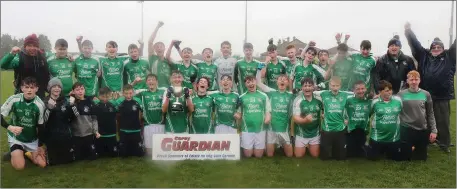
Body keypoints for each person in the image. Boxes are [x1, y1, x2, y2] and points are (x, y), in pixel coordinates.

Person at [404, 22, 456, 153]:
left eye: (439, 46)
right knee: (423, 119)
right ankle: (427, 140)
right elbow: (415, 44)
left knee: (442, 121)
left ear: (443, 48)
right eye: (434, 46)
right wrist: (408, 31)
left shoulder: (450, 56)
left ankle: (444, 143)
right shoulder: (423, 56)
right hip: (424, 94)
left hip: (442, 95)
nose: (436, 48)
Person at [1, 77, 47, 170]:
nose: (29, 90)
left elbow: (41, 126)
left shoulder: (40, 105)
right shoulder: (14, 99)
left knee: (42, 164)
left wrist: (40, 145)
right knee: (20, 167)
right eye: (26, 87)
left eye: (32, 87)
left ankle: (26, 153)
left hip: (31, 139)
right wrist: (10, 127)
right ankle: (15, 152)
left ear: (37, 89)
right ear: (22, 88)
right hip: (17, 138)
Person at [398, 71, 437, 160]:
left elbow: (430, 113)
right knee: (405, 157)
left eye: (416, 79)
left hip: (422, 129)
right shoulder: (401, 94)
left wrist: (434, 131)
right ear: (407, 81)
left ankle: (416, 147)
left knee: (421, 158)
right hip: (406, 129)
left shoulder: (426, 94)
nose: (414, 82)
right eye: (411, 80)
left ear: (420, 80)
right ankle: (408, 146)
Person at [313, 76, 354, 160]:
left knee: (341, 158)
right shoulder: (323, 94)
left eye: (337, 86)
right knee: (324, 157)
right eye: (333, 85)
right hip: (327, 128)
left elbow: (356, 93)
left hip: (340, 128)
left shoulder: (345, 94)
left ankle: (338, 149)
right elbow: (312, 92)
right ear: (329, 85)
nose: (335, 88)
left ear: (340, 86)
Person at [0, 34, 50, 99]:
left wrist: (67, 57)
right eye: (29, 46)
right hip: (22, 94)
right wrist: (11, 53)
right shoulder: (20, 57)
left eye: (35, 46)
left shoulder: (43, 56)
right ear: (25, 46)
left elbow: (57, 56)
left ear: (38, 47)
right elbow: (3, 65)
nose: (32, 48)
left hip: (39, 95)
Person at [256, 72, 293, 157]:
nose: (282, 81)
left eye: (285, 80)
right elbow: (258, 83)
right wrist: (259, 70)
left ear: (287, 83)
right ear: (277, 82)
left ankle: (283, 144)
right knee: (269, 155)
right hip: (271, 128)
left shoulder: (291, 95)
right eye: (280, 79)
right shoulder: (271, 92)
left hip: (284, 128)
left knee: (290, 155)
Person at [234, 76, 271, 158]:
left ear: (256, 82)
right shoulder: (241, 97)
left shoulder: (263, 95)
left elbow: (268, 110)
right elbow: (239, 113)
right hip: (246, 129)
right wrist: (234, 114)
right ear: (245, 84)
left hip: (260, 128)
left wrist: (268, 117)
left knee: (258, 156)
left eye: (252, 81)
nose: (251, 84)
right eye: (248, 82)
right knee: (248, 155)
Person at [367, 80, 403, 161]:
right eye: (387, 90)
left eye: (390, 90)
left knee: (395, 159)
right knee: (372, 158)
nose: (390, 92)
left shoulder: (398, 100)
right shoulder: (374, 102)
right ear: (380, 92)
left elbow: (402, 113)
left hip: (394, 139)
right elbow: (368, 114)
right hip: (377, 138)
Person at [42, 77, 76, 165]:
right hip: (51, 135)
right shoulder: (45, 101)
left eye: (59, 86)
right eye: (54, 86)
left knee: (69, 160)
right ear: (50, 89)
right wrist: (49, 108)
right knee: (54, 163)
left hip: (65, 134)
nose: (57, 88)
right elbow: (43, 121)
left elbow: (74, 118)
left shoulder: (65, 100)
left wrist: (72, 106)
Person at [292, 78, 323, 158]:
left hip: (315, 132)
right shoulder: (298, 100)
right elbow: (295, 118)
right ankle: (297, 141)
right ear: (302, 88)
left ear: (313, 87)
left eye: (310, 86)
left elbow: (326, 109)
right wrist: (305, 120)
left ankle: (311, 145)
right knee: (299, 156)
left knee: (315, 155)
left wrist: (324, 114)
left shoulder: (319, 98)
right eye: (305, 86)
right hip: (301, 132)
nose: (307, 88)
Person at [136, 74, 165, 155]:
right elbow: (128, 91)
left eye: (153, 80)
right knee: (149, 153)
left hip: (161, 124)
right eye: (149, 80)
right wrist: (134, 82)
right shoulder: (142, 92)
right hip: (148, 125)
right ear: (146, 82)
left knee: (160, 151)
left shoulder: (163, 91)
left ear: (157, 82)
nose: (151, 81)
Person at [113, 84, 145, 157]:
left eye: (130, 93)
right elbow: (113, 107)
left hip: (136, 130)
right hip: (124, 130)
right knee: (123, 154)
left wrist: (141, 123)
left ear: (133, 92)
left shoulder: (138, 101)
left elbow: (143, 112)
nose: (128, 95)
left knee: (139, 154)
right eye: (126, 93)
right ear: (123, 93)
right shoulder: (119, 101)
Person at [70, 82, 98, 161]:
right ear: (73, 91)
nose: (80, 91)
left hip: (88, 133)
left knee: (92, 157)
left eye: (82, 89)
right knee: (78, 158)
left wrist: (95, 131)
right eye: (77, 90)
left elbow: (94, 118)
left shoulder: (89, 102)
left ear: (85, 90)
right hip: (77, 134)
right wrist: (71, 104)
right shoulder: (72, 103)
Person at [345, 80, 372, 158]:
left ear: (366, 89)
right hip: (351, 130)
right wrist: (344, 120)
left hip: (363, 131)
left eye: (362, 88)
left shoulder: (370, 101)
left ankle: (365, 145)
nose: (361, 91)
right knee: (350, 154)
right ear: (353, 90)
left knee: (361, 154)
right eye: (358, 89)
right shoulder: (348, 100)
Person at [92, 87, 119, 158]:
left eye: (107, 97)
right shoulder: (96, 106)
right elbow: (94, 120)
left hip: (112, 134)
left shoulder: (113, 105)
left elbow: (117, 117)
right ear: (99, 96)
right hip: (101, 135)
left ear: (110, 95)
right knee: (101, 155)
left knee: (114, 154)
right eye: (103, 97)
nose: (104, 99)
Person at [148, 21, 170, 89]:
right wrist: (157, 27)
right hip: (156, 89)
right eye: (157, 47)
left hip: (168, 90)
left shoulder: (168, 60)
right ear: (154, 49)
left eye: (161, 46)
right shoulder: (153, 58)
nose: (159, 48)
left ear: (164, 48)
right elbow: (150, 42)